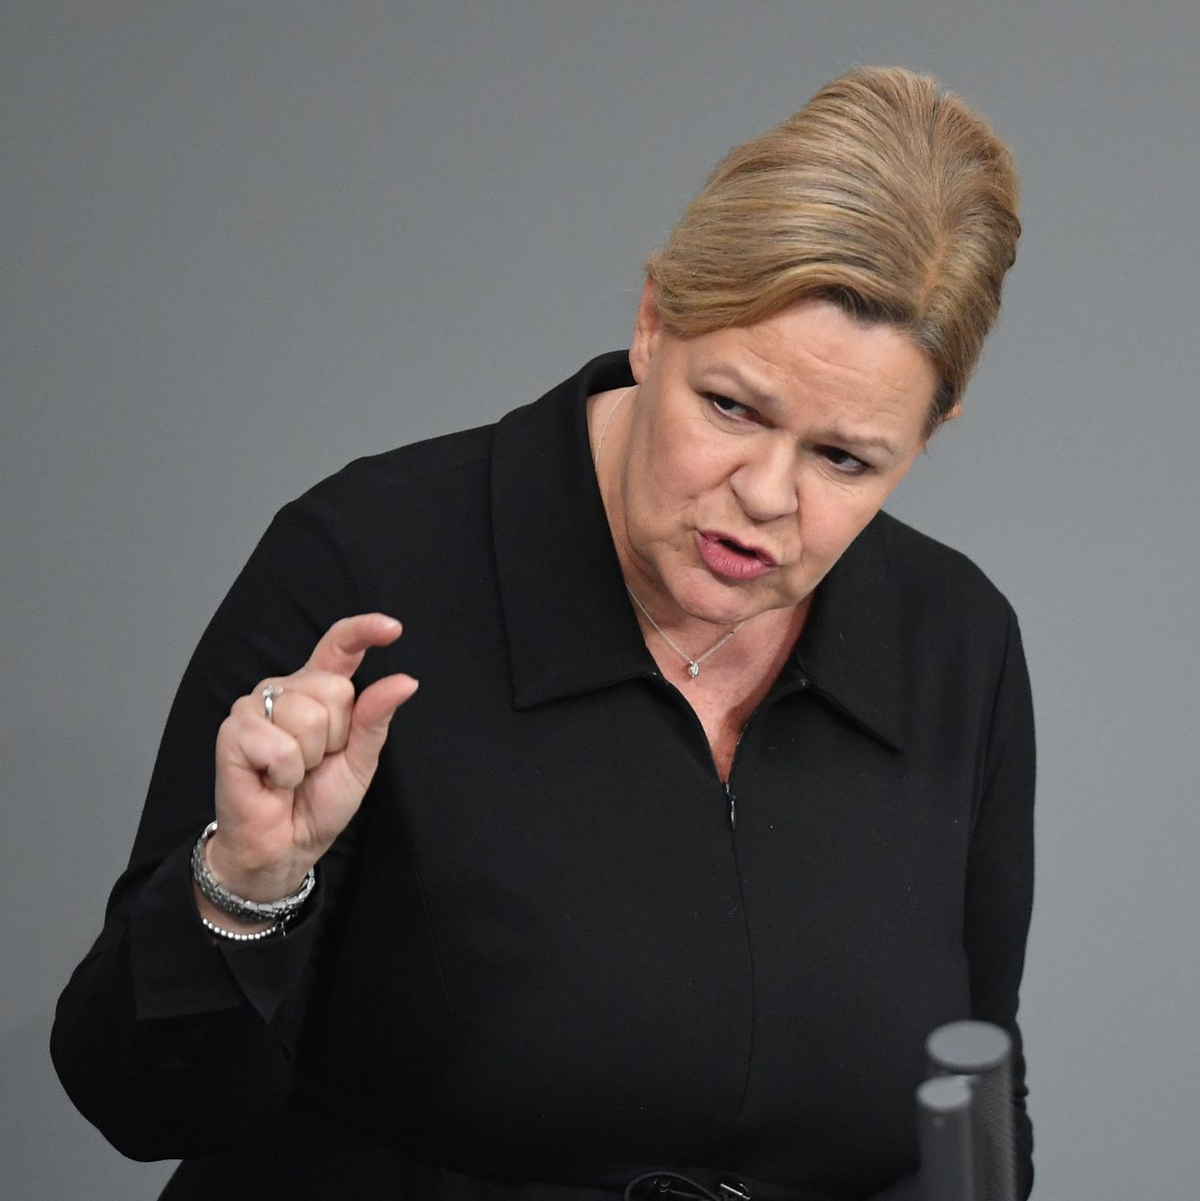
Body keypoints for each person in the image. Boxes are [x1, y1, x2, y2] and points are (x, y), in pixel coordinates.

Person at [52, 66, 1033, 1201]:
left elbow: (973, 1104)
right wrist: (245, 888)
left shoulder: (957, 642)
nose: (767, 493)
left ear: (929, 435)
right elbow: (137, 1101)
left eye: (845, 458)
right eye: (732, 406)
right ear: (655, 320)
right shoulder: (365, 565)